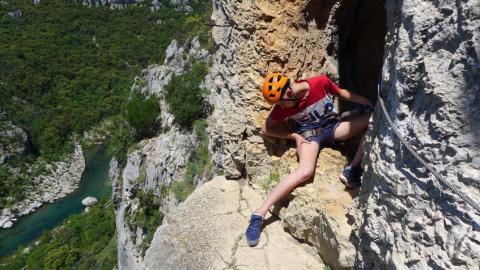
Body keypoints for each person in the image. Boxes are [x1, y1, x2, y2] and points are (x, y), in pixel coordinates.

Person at [245, 72, 374, 247]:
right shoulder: (284, 104)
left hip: (333, 127)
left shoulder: (319, 83)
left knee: (374, 120)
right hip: (309, 135)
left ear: (289, 92)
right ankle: (259, 214)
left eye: (282, 101)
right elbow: (267, 128)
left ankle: (352, 169)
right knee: (304, 171)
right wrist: (294, 137)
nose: (281, 106)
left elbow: (340, 92)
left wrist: (366, 102)